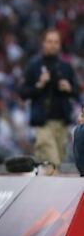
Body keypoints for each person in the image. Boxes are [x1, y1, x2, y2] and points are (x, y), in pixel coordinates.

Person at [19, 29, 80, 175]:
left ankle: (42, 190)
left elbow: (77, 93)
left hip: (62, 124)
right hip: (43, 124)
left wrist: (69, 88)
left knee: (55, 165)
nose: (52, 45)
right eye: (49, 41)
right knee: (52, 162)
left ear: (59, 45)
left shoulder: (66, 67)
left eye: (56, 42)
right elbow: (22, 93)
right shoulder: (34, 65)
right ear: (43, 43)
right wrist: (39, 84)